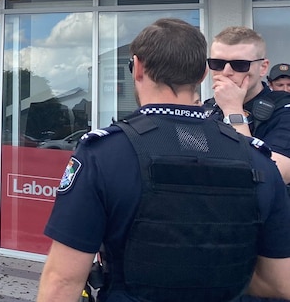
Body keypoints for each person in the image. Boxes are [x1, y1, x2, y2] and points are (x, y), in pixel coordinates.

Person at [37, 18, 290, 302]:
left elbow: (62, 282)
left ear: (138, 67)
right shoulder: (258, 160)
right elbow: (280, 284)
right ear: (204, 74)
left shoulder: (103, 154)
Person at [205, 27, 290, 183]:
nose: (226, 72)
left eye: (240, 65)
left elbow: (274, 174)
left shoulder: (284, 110)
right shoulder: (208, 109)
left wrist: (233, 111)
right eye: (217, 63)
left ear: (263, 67)